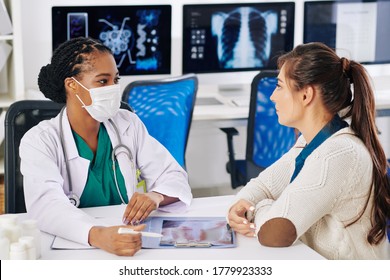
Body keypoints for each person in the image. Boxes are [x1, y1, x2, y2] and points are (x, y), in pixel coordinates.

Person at [20, 37, 192, 256]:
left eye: (115, 80)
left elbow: (173, 175)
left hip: (127, 239)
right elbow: (45, 204)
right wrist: (97, 235)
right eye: (103, 81)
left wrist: (156, 196)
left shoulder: (127, 123)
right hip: (75, 245)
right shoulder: (40, 140)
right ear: (72, 85)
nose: (113, 88)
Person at [227, 42, 390, 259]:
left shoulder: (339, 153)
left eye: (280, 86)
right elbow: (264, 185)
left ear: (306, 96)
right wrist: (242, 205)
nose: (273, 96)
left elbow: (275, 233)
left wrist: (258, 208)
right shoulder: (312, 141)